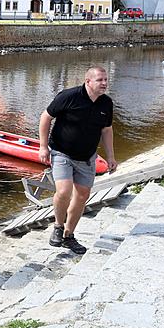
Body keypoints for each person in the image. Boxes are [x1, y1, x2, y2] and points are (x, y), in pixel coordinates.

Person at [38, 66, 118, 255]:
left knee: (82, 196)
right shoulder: (69, 96)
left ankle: (68, 235)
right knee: (64, 191)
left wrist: (111, 156)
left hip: (87, 157)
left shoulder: (106, 103)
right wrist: (42, 146)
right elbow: (46, 117)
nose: (105, 83)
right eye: (100, 80)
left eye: (106, 80)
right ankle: (58, 226)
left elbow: (106, 130)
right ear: (88, 81)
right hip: (61, 152)